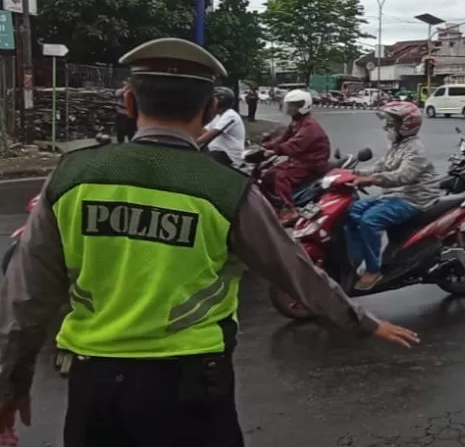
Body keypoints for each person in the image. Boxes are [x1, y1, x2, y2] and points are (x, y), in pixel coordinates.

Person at [0, 38, 418, 447]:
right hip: (192, 384)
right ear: (210, 109)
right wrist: (361, 321)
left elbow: (27, 298)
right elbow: (292, 269)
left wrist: (11, 386)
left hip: (94, 386)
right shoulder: (225, 189)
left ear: (128, 103)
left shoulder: (71, 175)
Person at [347, 101, 441, 290]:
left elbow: (402, 176)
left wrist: (372, 179)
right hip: (393, 195)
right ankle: (353, 261)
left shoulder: (415, 149)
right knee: (350, 211)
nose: (386, 127)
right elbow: (381, 167)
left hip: (413, 198)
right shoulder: (398, 146)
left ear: (407, 125)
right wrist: (353, 173)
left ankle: (374, 270)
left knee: (370, 221)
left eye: (392, 123)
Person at [262, 89, 331, 225]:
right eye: (290, 105)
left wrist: (273, 151)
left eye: (294, 105)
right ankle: (274, 206)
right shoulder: (296, 122)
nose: (291, 108)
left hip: (311, 162)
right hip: (299, 159)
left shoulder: (309, 126)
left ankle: (289, 209)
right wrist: (266, 147)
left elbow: (293, 145)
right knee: (267, 175)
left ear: (303, 106)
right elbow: (283, 139)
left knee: (282, 177)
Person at [196, 86, 246, 167]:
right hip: (216, 152)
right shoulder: (218, 115)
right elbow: (204, 131)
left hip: (228, 155)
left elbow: (209, 135)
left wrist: (191, 143)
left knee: (201, 165)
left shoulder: (230, 115)